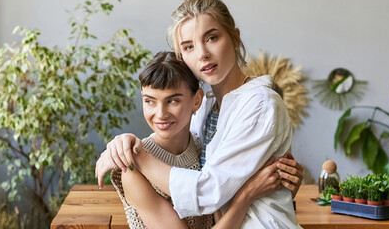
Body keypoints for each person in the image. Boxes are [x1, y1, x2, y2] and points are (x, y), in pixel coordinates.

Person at [96, 0, 304, 229]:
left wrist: (137, 156)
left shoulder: (261, 104)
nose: (202, 53)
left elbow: (208, 192)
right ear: (181, 56)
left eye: (212, 37)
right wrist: (120, 144)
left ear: (234, 37)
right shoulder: (205, 107)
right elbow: (191, 160)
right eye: (189, 46)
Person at [111, 51, 286, 228]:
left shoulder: (203, 148)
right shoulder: (133, 169)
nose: (160, 114)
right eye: (150, 101)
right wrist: (247, 194)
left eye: (172, 101)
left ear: (197, 100)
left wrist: (284, 181)